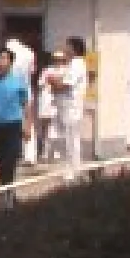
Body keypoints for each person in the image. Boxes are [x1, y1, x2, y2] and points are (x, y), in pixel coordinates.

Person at [0, 46, 32, 189]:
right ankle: (4, 190)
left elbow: (26, 105)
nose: (1, 61)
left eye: (4, 58)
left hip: (13, 124)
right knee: (0, 160)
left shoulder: (19, 81)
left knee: (11, 159)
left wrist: (27, 126)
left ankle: (9, 191)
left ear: (11, 62)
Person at [51, 37, 90, 171]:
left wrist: (53, 82)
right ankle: (72, 168)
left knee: (71, 140)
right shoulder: (72, 64)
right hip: (66, 106)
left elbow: (66, 85)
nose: (65, 49)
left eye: (67, 46)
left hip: (71, 107)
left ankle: (73, 170)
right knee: (70, 139)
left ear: (73, 48)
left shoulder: (77, 64)